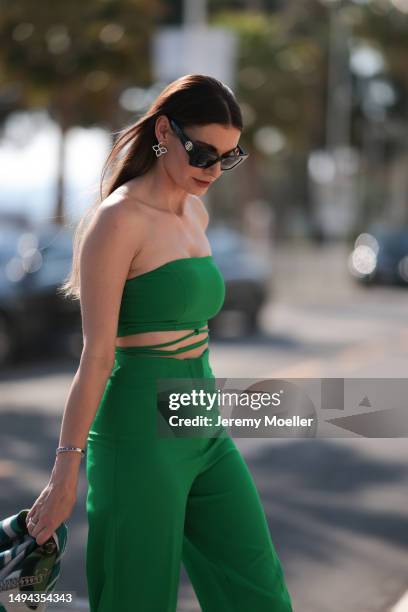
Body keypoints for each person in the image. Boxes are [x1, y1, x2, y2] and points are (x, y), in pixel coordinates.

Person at [25, 74, 293, 612]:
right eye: (202, 153)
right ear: (165, 131)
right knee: (135, 598)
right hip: (137, 429)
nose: (213, 170)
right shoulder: (117, 221)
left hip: (200, 414)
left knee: (258, 592)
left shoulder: (196, 211)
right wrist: (65, 470)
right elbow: (97, 356)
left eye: (227, 158)